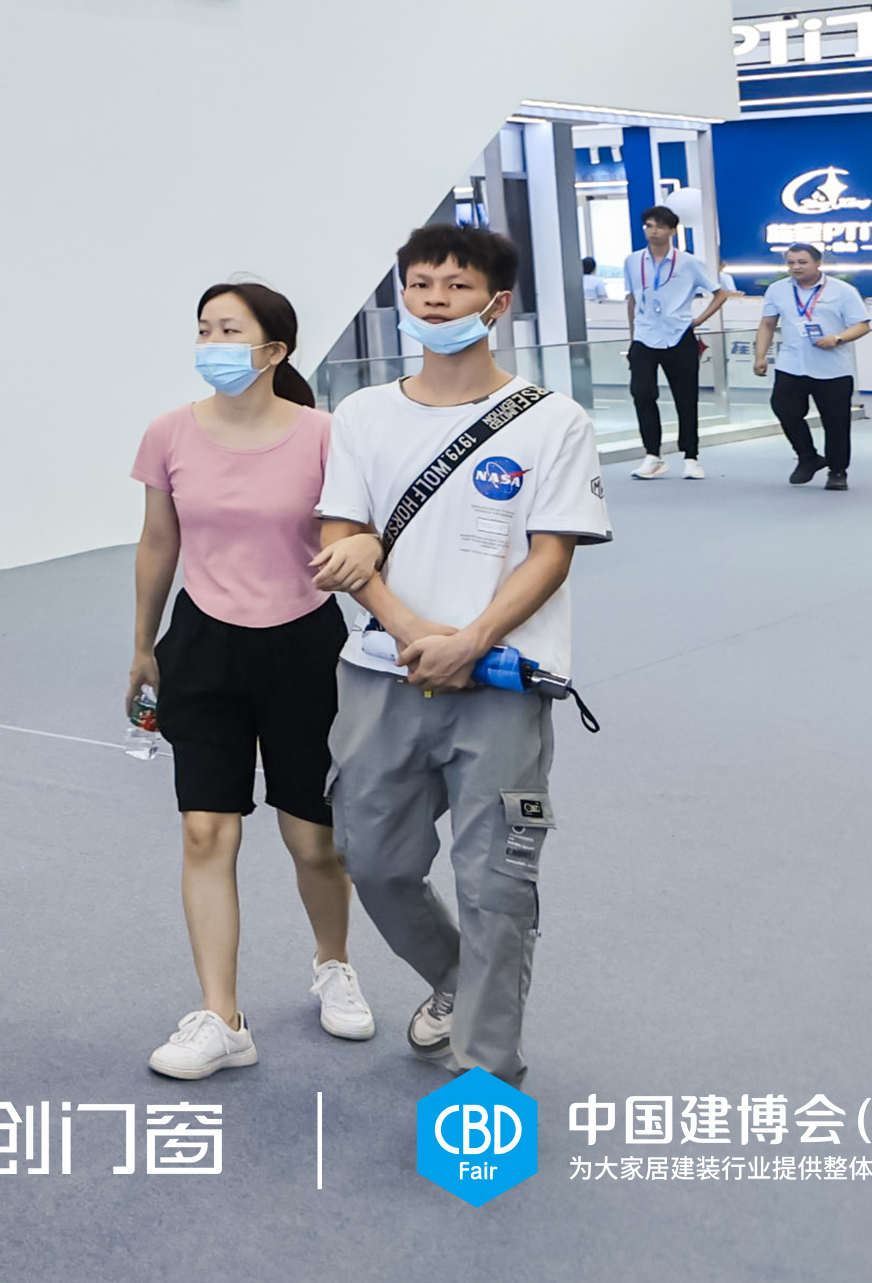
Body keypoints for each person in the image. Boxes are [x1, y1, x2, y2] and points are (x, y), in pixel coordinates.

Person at [312, 221, 610, 1089]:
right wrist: (415, 634)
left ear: (497, 303)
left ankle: (486, 1077)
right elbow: (341, 538)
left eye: (457, 285)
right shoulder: (363, 415)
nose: (436, 300)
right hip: (384, 674)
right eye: (421, 284)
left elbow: (551, 554)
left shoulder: (554, 421)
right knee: (371, 859)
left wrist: (471, 641)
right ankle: (456, 976)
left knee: (495, 886)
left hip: (502, 685)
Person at [128, 281, 368, 1082]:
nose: (211, 345)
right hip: (203, 645)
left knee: (313, 840)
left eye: (228, 331)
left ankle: (333, 964)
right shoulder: (169, 432)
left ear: (274, 350)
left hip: (304, 645)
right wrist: (143, 648)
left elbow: (353, 537)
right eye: (203, 330)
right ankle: (222, 1018)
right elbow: (158, 542)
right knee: (205, 831)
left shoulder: (325, 435)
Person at [756, 241, 872, 489]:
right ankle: (808, 456)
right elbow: (767, 324)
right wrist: (760, 356)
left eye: (802, 262)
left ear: (818, 263)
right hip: (792, 363)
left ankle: (837, 471)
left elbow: (862, 325)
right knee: (784, 410)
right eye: (790, 263)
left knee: (836, 422)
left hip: (832, 368)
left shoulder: (842, 291)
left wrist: (837, 338)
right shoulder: (778, 290)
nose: (795, 267)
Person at [621, 206, 721, 480]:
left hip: (678, 336)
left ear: (672, 231)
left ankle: (691, 456)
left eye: (660, 226)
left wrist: (697, 320)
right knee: (642, 394)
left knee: (686, 398)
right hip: (644, 337)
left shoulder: (688, 262)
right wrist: (632, 335)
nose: (653, 231)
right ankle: (652, 455)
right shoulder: (633, 261)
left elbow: (720, 293)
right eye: (649, 226)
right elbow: (632, 298)